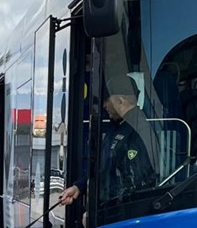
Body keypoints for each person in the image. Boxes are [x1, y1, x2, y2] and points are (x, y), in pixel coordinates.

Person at [59, 74, 160, 207]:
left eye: (107, 100)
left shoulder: (138, 130)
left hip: (121, 211)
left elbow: (138, 181)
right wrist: (79, 187)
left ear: (120, 100)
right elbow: (103, 165)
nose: (104, 105)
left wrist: (105, 213)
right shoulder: (118, 127)